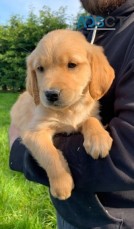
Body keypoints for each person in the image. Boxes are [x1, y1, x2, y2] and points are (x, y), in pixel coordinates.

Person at [9, 0, 134, 228]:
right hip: (70, 211)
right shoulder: (88, 29)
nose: (51, 87)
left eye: (72, 65)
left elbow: (129, 152)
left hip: (115, 220)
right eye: (41, 69)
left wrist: (17, 148)